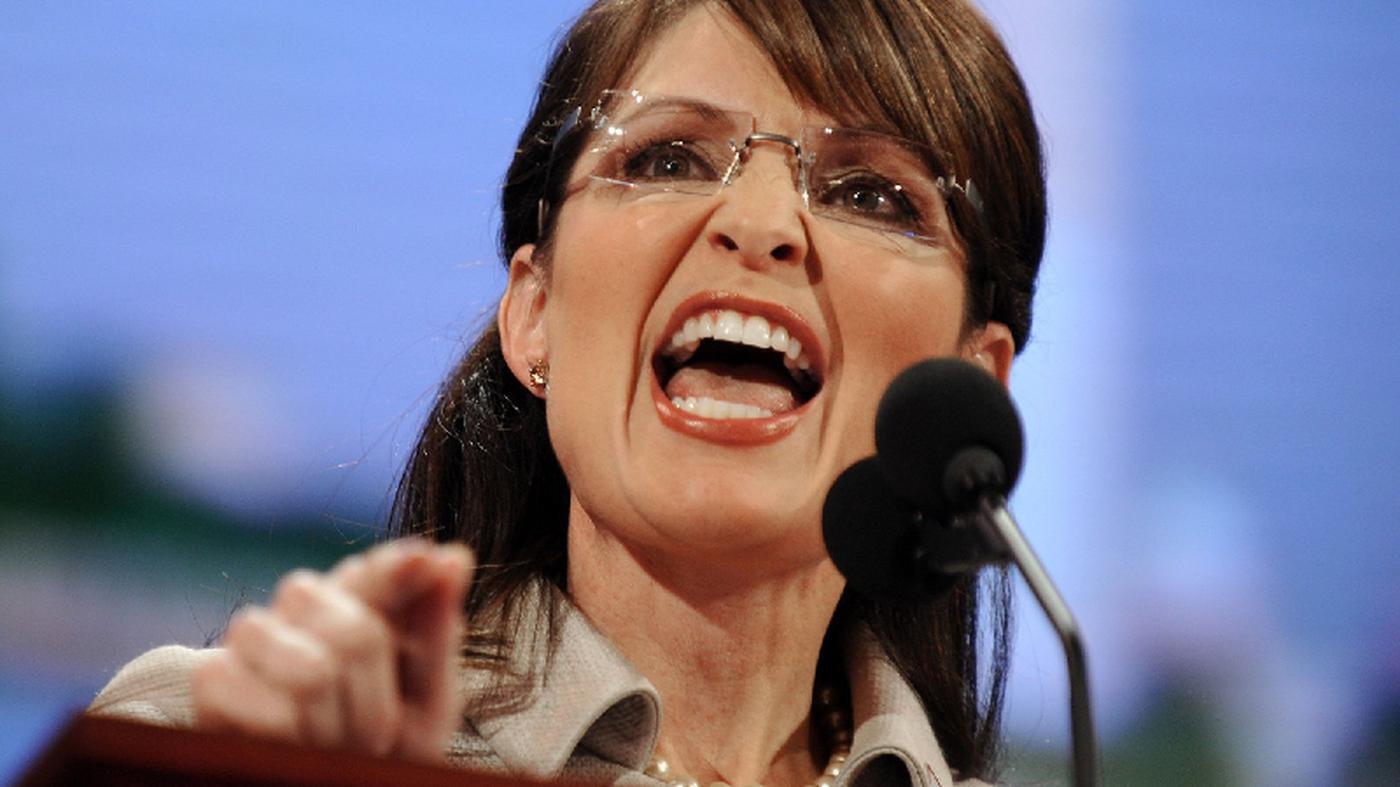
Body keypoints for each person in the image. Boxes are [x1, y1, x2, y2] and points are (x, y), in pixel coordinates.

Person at [90, 1, 1046, 785]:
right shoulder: (240, 742)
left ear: (971, 383)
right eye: (668, 159)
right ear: (534, 312)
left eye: (870, 194)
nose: (761, 223)